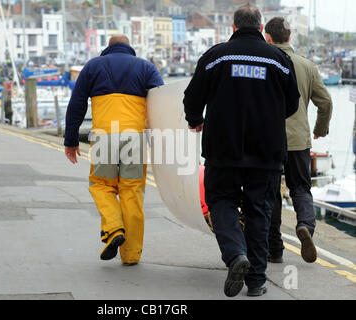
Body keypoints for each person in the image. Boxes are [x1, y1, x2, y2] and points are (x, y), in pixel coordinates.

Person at [183, 4, 300, 297]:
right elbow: (292, 104)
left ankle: (236, 255)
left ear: (233, 27)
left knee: (221, 200)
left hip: (223, 148)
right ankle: (257, 281)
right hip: (267, 150)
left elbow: (192, 97)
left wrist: (195, 120)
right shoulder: (280, 60)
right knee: (259, 210)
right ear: (261, 29)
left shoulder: (215, 57)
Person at [64, 35, 163, 266]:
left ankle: (113, 228)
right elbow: (162, 103)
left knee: (101, 185)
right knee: (132, 191)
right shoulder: (146, 67)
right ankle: (131, 256)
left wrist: (71, 140)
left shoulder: (93, 66)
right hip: (135, 138)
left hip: (105, 136)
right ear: (130, 48)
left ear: (107, 48)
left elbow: (76, 104)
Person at [265, 17, 333, 264]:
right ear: (290, 37)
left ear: (268, 38)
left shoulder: (266, 64)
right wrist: (320, 129)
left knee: (270, 194)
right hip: (299, 140)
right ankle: (305, 226)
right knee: (301, 189)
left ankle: (275, 249)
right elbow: (325, 102)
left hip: (269, 140)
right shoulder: (307, 66)